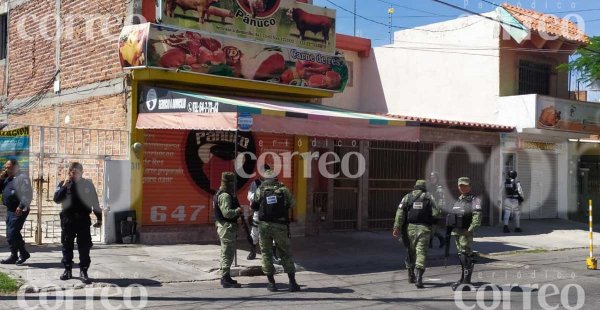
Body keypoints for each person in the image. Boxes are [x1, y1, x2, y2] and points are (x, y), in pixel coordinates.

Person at [53, 162, 102, 284]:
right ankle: (67, 269)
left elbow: (95, 202)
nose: (73, 174)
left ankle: (83, 270)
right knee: (67, 245)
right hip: (68, 219)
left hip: (83, 219)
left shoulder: (87, 184)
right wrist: (64, 186)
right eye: (71, 172)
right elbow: (56, 199)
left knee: (84, 246)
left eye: (75, 172)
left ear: (81, 172)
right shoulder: (63, 184)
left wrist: (99, 218)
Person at [251, 170, 300, 292]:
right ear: (276, 178)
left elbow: (253, 205)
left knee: (266, 254)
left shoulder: (260, 190)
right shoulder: (283, 190)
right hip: (280, 226)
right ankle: (292, 283)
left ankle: (272, 284)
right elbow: (293, 203)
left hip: (264, 227)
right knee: (285, 253)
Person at [393, 180, 441, 289]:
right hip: (424, 229)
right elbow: (436, 213)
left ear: (415, 186)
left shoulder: (407, 197)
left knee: (410, 251)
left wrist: (397, 227)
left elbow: (400, 213)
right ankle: (419, 278)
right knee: (421, 252)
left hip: (409, 229)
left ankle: (411, 274)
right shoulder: (430, 197)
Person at [447, 177, 482, 291]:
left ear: (470, 186)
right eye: (461, 185)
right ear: (458, 187)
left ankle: (466, 282)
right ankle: (463, 279)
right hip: (457, 231)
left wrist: (470, 229)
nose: (463, 187)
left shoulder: (474, 199)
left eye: (465, 185)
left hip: (466, 232)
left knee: (465, 255)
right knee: (461, 255)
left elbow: (477, 217)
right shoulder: (459, 199)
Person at [0, 159, 33, 265]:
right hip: (10, 210)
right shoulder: (8, 178)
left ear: (16, 167)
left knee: (12, 233)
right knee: (10, 234)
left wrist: (21, 206)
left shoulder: (22, 178)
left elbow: (27, 194)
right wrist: (1, 179)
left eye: (8, 167)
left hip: (19, 209)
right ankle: (14, 255)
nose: (6, 169)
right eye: (6, 167)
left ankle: (23, 253)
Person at [214, 172, 243, 288]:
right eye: (233, 183)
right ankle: (225, 278)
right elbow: (227, 213)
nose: (234, 185)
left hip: (225, 227)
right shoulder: (225, 196)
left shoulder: (220, 193)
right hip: (226, 227)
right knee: (227, 253)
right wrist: (237, 211)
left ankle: (226, 276)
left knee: (226, 252)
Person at [246, 164, 280, 263]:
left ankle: (273, 254)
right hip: (258, 211)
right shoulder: (256, 183)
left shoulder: (274, 183)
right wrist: (261, 194)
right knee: (254, 233)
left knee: (273, 233)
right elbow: (250, 197)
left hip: (271, 212)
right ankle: (252, 252)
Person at [427, 172, 446, 249]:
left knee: (432, 226)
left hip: (436, 210)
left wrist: (440, 209)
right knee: (431, 227)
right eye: (431, 177)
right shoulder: (429, 187)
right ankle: (442, 239)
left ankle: (430, 242)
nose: (432, 179)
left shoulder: (439, 188)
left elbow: (442, 200)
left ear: (437, 179)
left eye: (434, 177)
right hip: (428, 210)